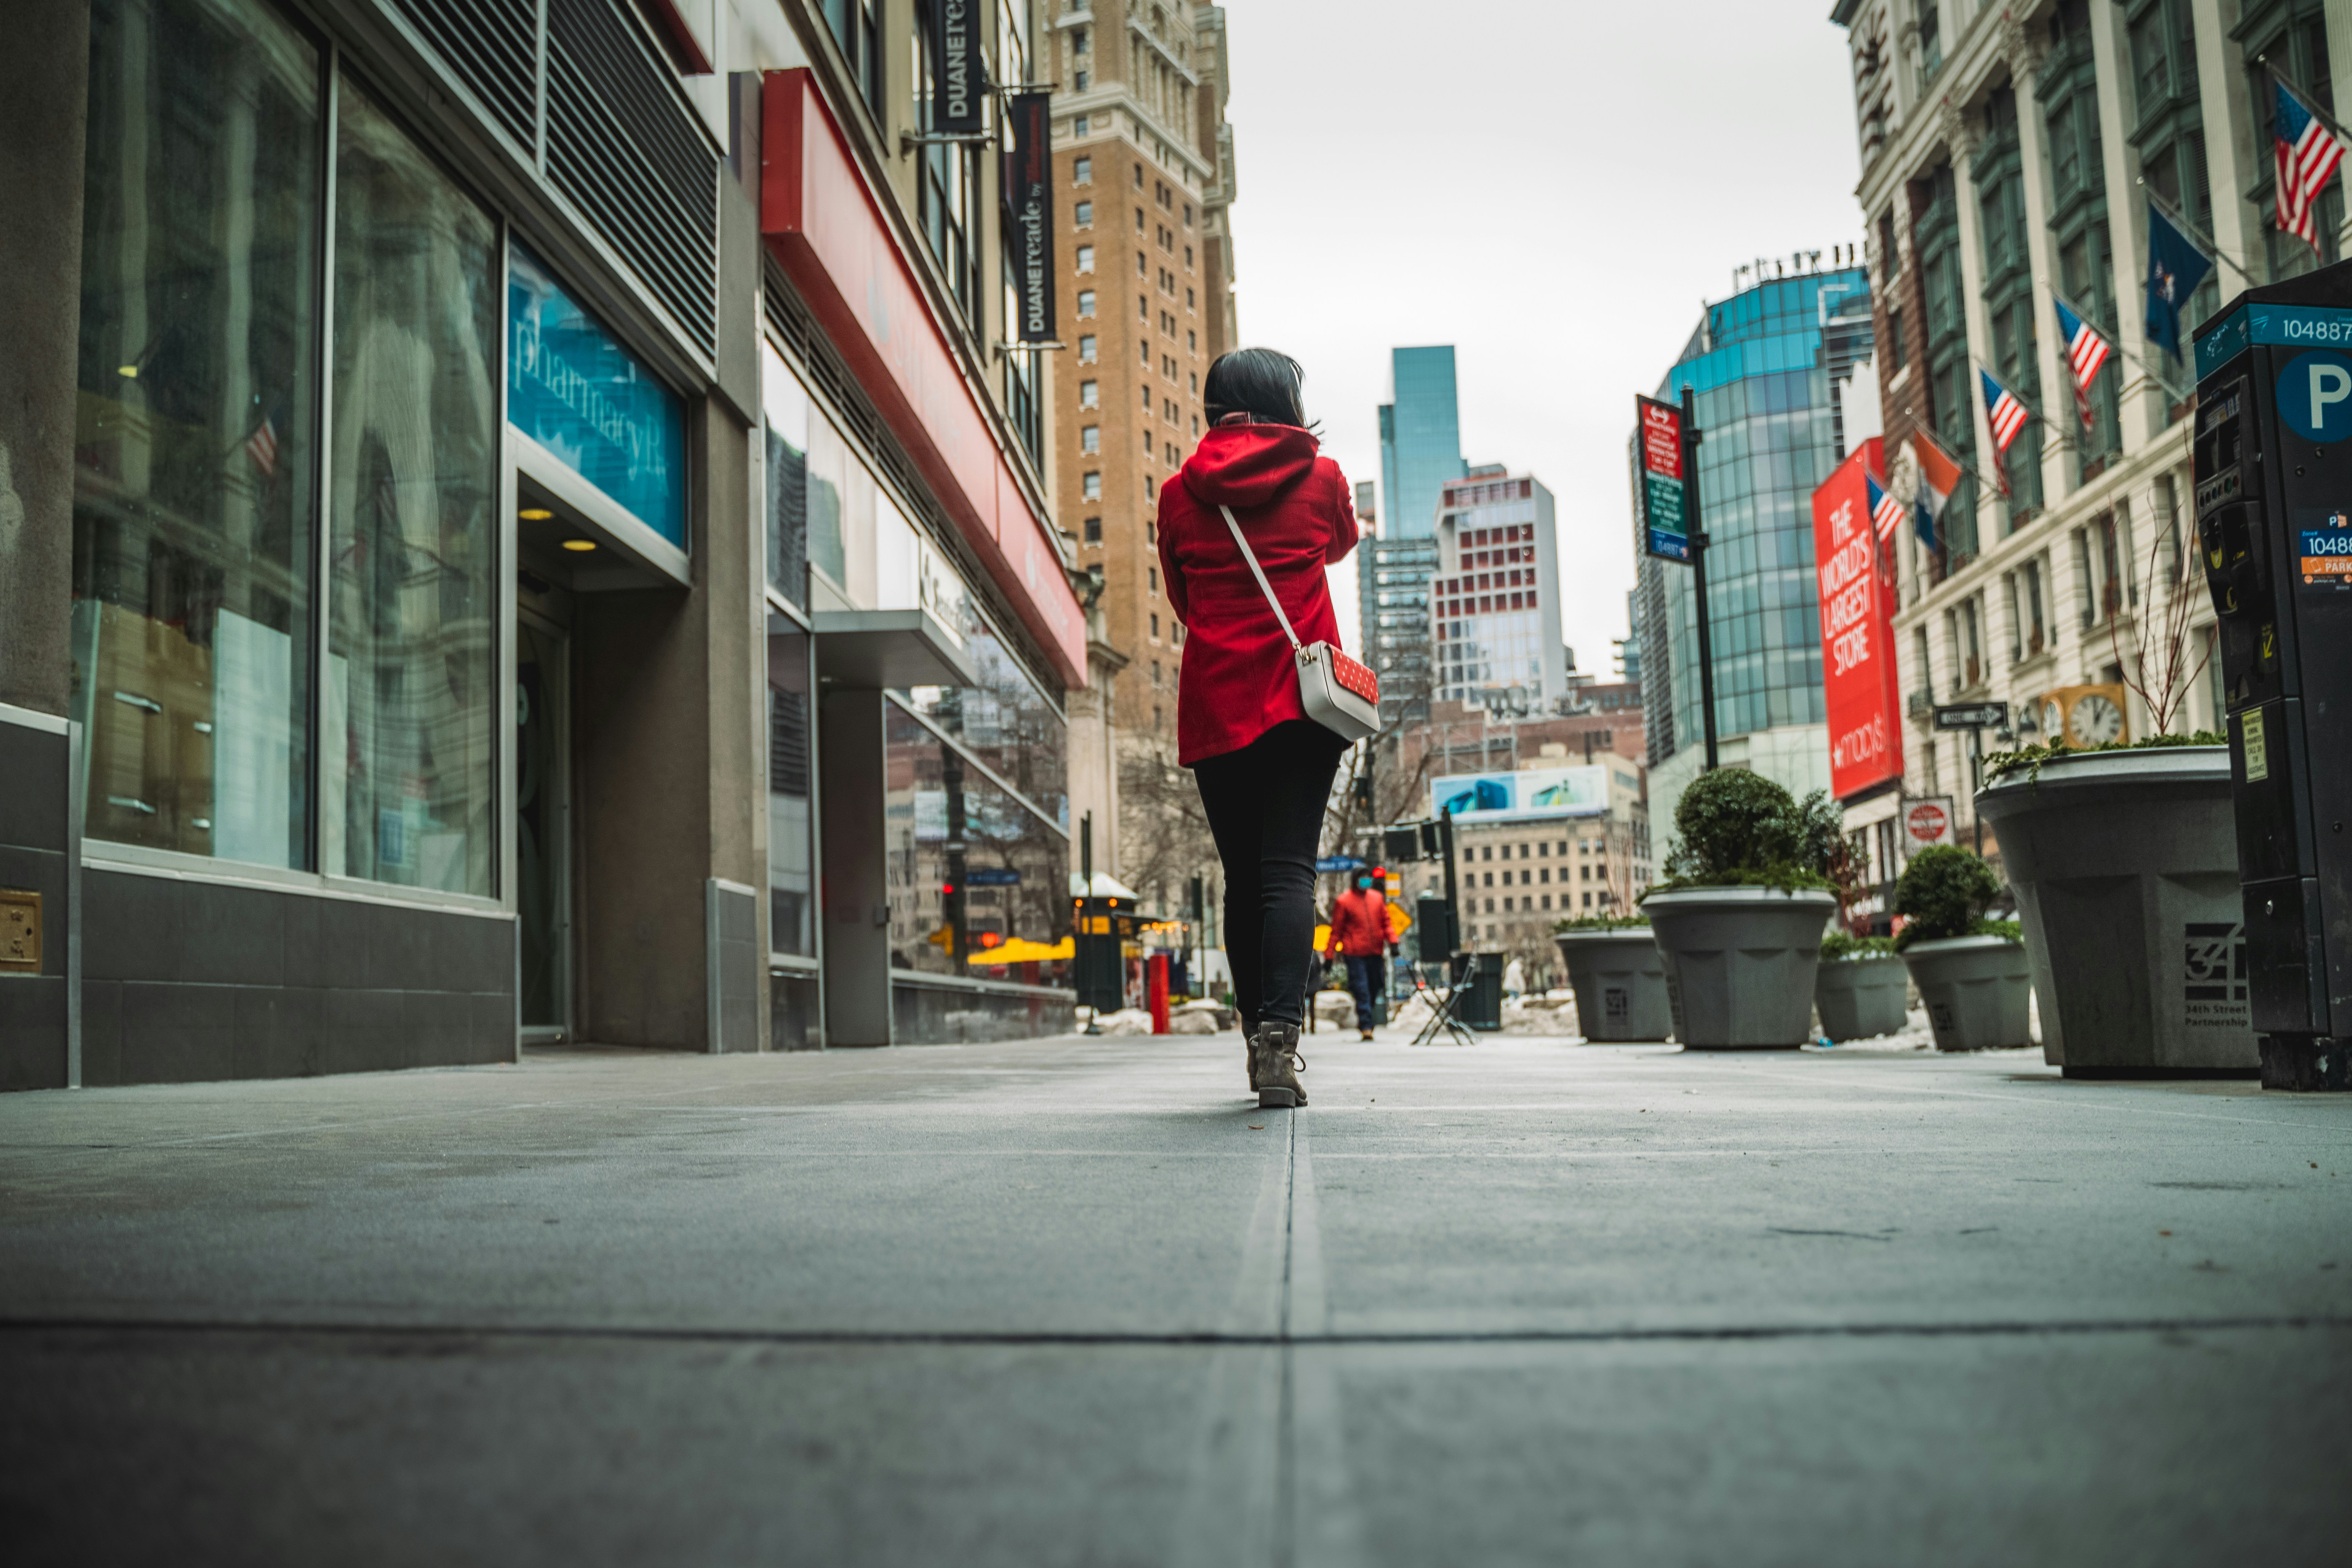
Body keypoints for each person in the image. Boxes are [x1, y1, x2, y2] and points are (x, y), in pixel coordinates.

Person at [1159, 348, 1359, 1107]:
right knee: (1288, 872)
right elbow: (1339, 546)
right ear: (1284, 401)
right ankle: (1281, 1043)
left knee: (1243, 880)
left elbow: (1182, 596)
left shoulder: (1179, 495)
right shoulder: (1323, 478)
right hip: (1303, 703)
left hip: (1216, 699)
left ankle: (1252, 1039)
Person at [1323, 873, 1391, 1040]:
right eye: (1363, 877)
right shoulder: (1344, 901)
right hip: (1354, 954)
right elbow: (1336, 930)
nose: (1366, 880)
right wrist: (1329, 955)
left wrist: (1393, 941)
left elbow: (1386, 922)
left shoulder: (1377, 898)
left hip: (1375, 952)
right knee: (1361, 988)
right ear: (1355, 880)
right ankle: (1366, 1026)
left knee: (1376, 985)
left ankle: (1365, 1012)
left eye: (1368, 877)